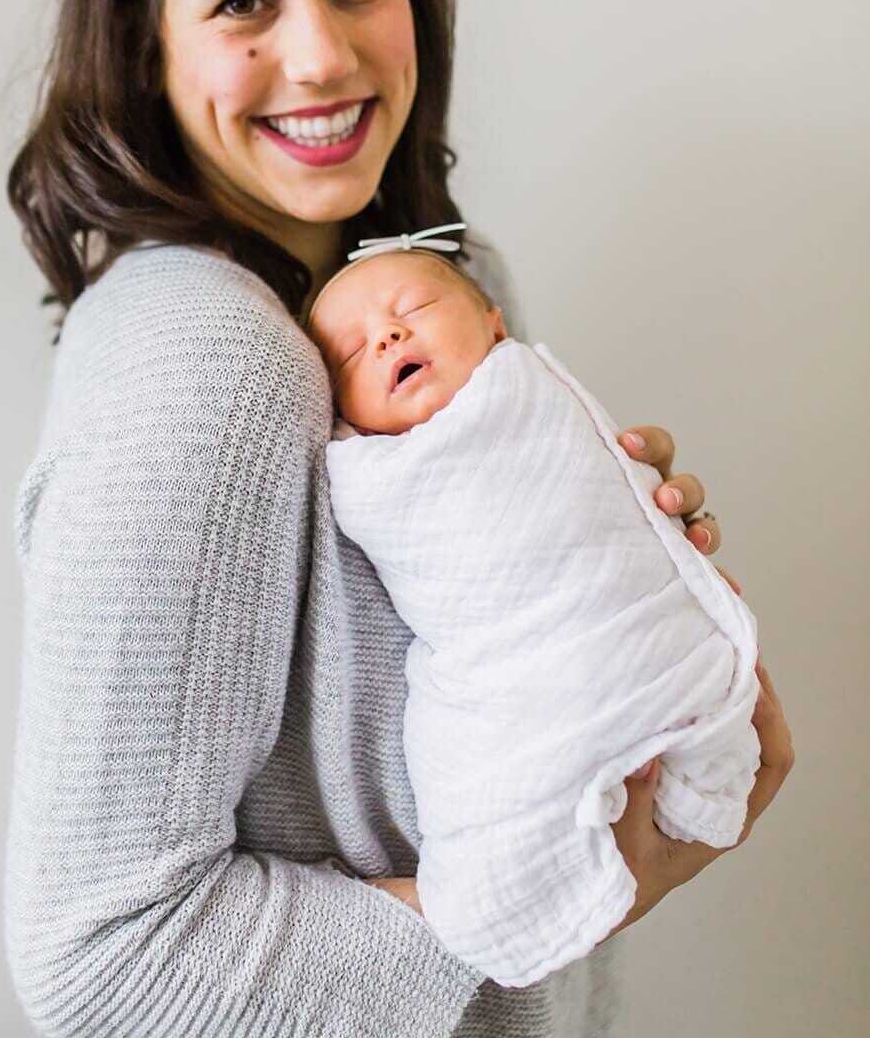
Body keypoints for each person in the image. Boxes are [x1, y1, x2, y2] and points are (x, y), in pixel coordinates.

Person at [2, 0, 794, 1037]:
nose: (319, 54)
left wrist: (606, 575)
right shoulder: (207, 359)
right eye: (241, 0)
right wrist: (551, 893)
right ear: (143, 47)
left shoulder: (446, 287)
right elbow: (105, 963)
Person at [304, 235, 762, 988]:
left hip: (621, 624)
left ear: (493, 326)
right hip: (508, 673)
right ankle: (500, 889)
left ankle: (688, 759)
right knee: (482, 774)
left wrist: (633, 494)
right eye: (350, 353)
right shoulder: (367, 471)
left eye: (412, 309)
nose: (385, 335)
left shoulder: (523, 390)